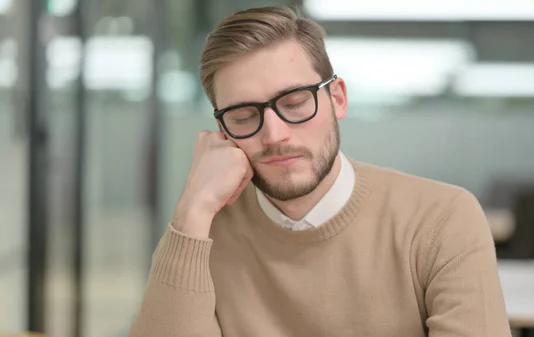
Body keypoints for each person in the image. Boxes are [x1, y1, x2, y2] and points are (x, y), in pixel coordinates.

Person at [128, 5, 511, 337]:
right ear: (222, 131)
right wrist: (193, 209)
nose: (274, 135)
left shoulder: (442, 220)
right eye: (244, 116)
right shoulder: (204, 231)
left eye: (295, 103)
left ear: (338, 98)